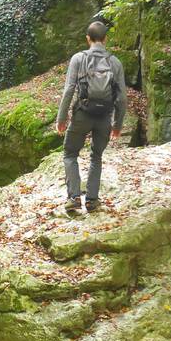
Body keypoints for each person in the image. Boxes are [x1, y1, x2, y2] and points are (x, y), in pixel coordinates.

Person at [56, 20, 126, 214]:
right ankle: (92, 200)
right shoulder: (115, 62)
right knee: (97, 156)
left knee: (70, 154)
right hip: (105, 116)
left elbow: (69, 90)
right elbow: (121, 98)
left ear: (88, 38)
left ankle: (74, 198)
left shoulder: (78, 59)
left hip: (82, 114)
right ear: (105, 39)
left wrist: (61, 119)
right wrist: (117, 124)